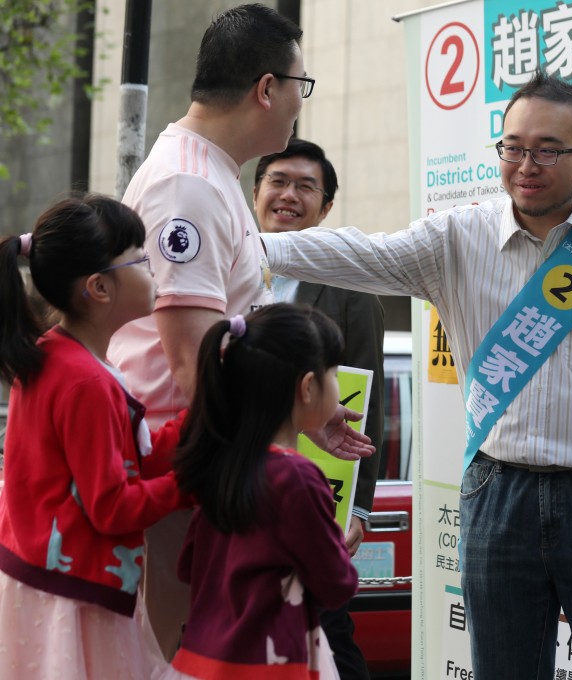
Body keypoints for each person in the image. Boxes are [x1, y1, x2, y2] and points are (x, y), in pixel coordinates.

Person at [262, 71, 572, 678]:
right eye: (513, 148)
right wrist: (248, 245)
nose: (527, 164)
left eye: (549, 149)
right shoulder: (459, 237)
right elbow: (361, 254)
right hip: (498, 496)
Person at [107, 4, 371, 655]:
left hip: (206, 469)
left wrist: (307, 413)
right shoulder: (187, 187)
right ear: (266, 88)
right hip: (186, 478)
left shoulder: (210, 176)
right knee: (182, 657)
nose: (296, 107)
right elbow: (196, 366)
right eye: (298, 88)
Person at [0, 195, 191, 678]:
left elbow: (119, 465)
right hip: (74, 596)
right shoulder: (87, 381)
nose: (154, 270)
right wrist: (191, 483)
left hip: (48, 580)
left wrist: (195, 423)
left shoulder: (55, 356)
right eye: (142, 258)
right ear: (100, 287)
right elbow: (111, 506)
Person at [158, 304, 358, 680]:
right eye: (334, 372)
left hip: (198, 662)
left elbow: (189, 566)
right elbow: (336, 586)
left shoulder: (220, 463)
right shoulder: (298, 477)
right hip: (269, 666)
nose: (337, 382)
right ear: (308, 387)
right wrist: (335, 544)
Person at [253, 138, 384, 680]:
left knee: (327, 634)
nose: (288, 195)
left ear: (326, 207)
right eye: (277, 182)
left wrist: (358, 509)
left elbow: (364, 405)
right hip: (236, 492)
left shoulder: (352, 291)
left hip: (312, 499)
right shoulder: (224, 276)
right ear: (255, 192)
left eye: (306, 187)